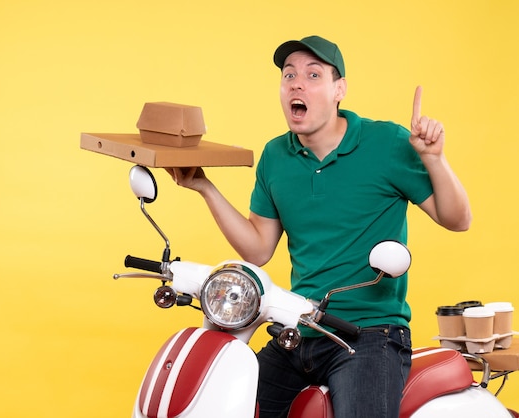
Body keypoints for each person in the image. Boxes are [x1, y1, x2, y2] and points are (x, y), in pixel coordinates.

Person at [166, 35, 471, 418]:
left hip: (370, 335)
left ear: (339, 89)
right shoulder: (276, 156)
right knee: (229, 399)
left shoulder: (387, 142)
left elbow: (458, 220)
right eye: (288, 75)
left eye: (313, 75)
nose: (297, 83)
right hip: (298, 328)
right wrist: (204, 187)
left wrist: (434, 159)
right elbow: (258, 249)